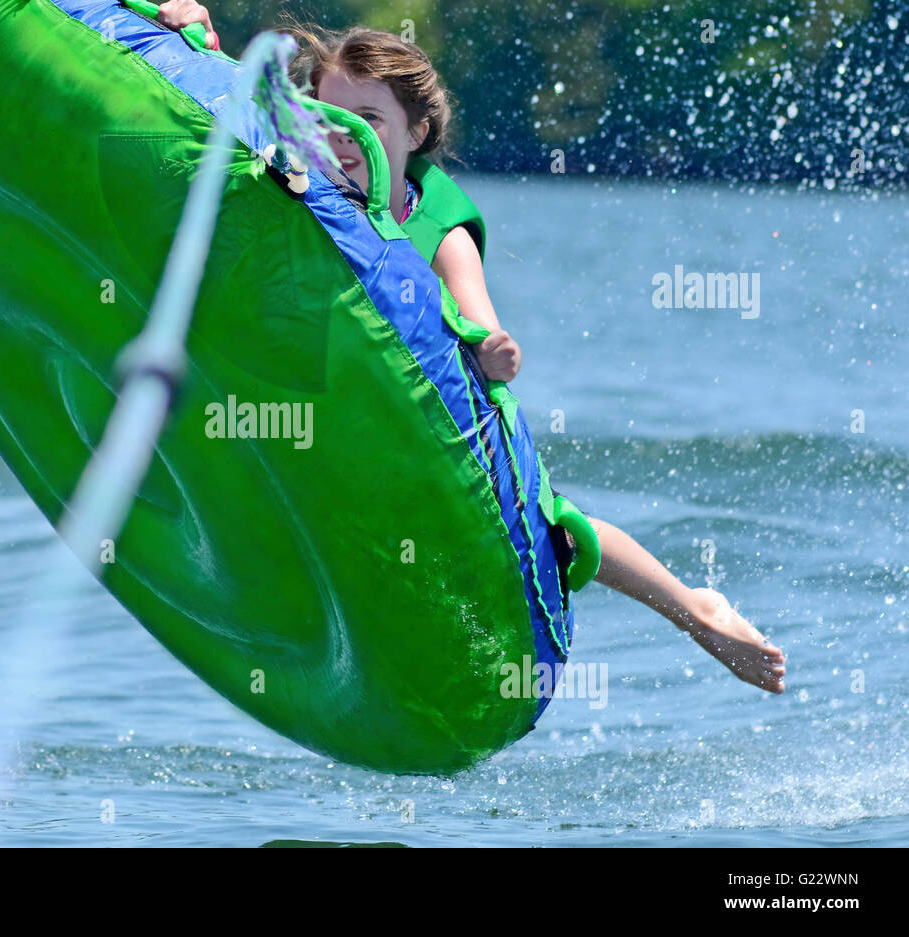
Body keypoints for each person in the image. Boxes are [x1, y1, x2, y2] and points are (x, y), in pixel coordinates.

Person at [156, 2, 786, 695]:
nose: (342, 138)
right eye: (328, 117)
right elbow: (219, 95)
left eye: (367, 123)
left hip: (436, 424)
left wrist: (494, 351)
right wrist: (195, 25)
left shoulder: (437, 226)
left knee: (557, 534)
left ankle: (694, 608)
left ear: (414, 133)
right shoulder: (299, 179)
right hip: (332, 415)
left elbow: (483, 327)